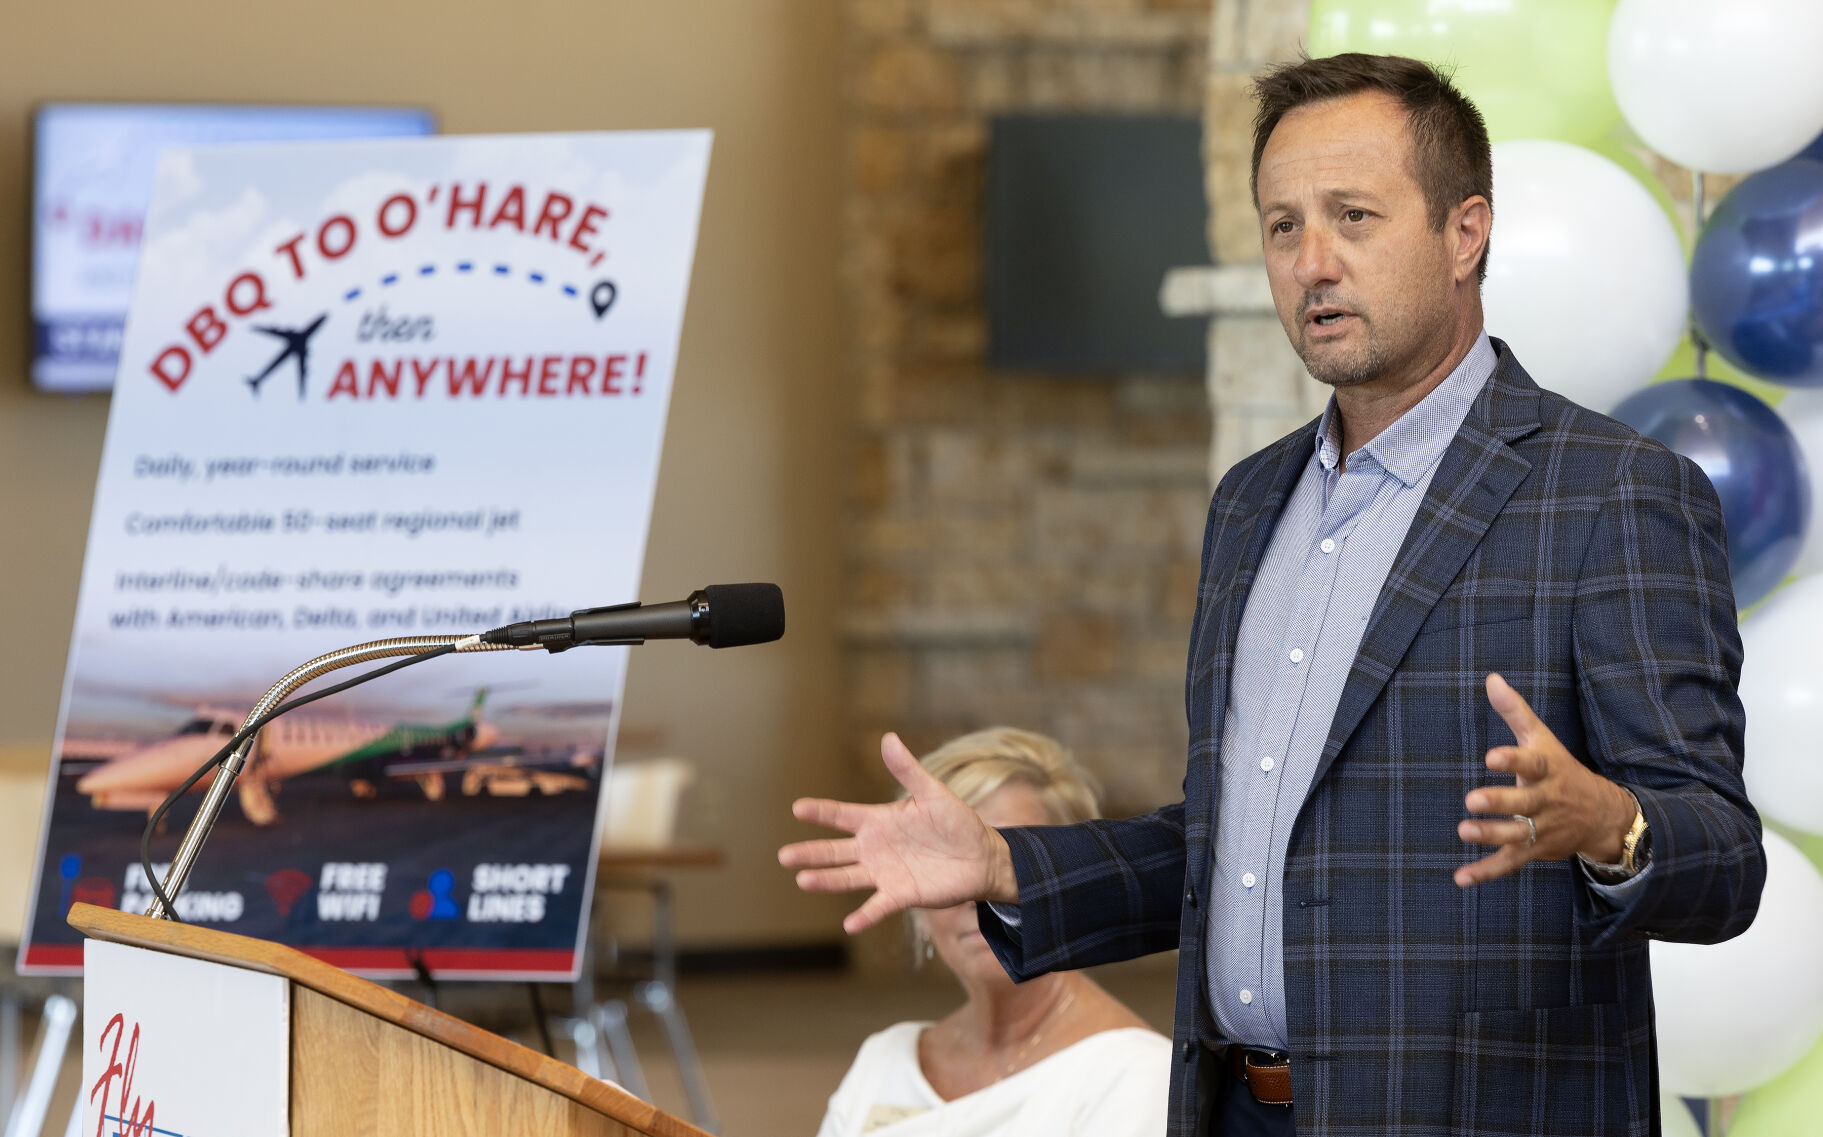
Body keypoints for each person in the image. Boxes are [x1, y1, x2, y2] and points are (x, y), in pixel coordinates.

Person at [782, 52, 1765, 1137]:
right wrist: (1003, 863)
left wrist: (1608, 824)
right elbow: (1222, 853)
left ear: (1464, 233)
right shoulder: (1250, 505)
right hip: (1238, 1111)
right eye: (1282, 226)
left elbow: (1720, 857)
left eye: (1352, 216)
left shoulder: (1610, 492)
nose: (1312, 263)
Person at [814, 727, 1171, 1137]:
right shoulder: (884, 1059)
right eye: (942, 862)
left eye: (1006, 863)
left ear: (1072, 884)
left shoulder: (1136, 1075)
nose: (973, 893)